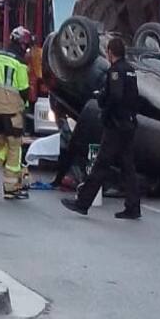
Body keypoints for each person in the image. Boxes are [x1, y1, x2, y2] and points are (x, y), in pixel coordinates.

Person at [63, 37, 141, 219]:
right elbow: (135, 97)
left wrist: (104, 105)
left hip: (116, 125)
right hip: (129, 123)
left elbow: (115, 96)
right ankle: (133, 206)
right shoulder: (131, 70)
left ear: (110, 52)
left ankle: (82, 203)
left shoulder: (115, 71)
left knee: (100, 165)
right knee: (128, 167)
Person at [0, 26, 32, 200]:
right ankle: (11, 187)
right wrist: (25, 105)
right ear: (22, 45)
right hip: (12, 112)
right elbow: (24, 90)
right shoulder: (20, 63)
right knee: (14, 148)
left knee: (0, 143)